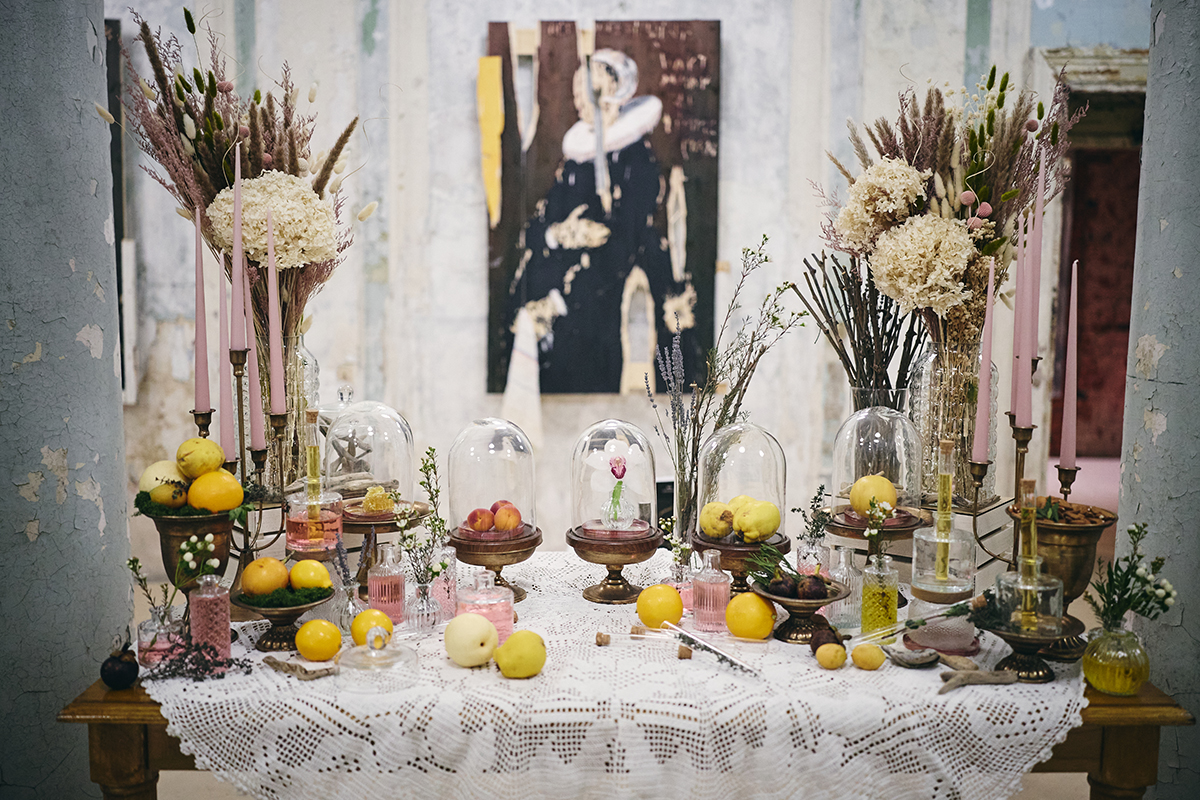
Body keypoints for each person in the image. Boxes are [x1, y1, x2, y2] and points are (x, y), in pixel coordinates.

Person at [507, 49, 696, 394]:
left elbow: (621, 249)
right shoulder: (574, 163)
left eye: (587, 91)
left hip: (597, 314)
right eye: (576, 90)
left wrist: (559, 302)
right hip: (551, 311)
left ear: (610, 95)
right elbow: (534, 229)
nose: (578, 100)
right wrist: (557, 234)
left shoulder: (637, 162)